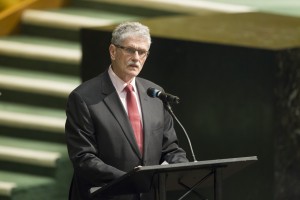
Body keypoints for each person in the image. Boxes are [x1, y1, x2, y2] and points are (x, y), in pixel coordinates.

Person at [65, 21, 188, 200]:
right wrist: (130, 180)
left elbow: (169, 148)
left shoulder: (154, 94)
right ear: (113, 51)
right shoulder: (84, 97)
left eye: (142, 52)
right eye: (130, 50)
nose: (136, 58)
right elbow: (83, 158)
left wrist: (183, 167)